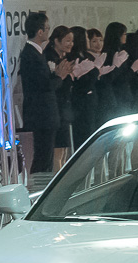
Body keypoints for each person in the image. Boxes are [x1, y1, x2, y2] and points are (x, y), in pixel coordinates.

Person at [19, 13, 70, 174]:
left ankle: (42, 185)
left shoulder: (37, 53)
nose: (48, 32)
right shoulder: (30, 54)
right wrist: (59, 77)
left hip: (46, 114)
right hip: (41, 114)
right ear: (40, 32)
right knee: (43, 157)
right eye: (47, 28)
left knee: (46, 157)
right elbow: (43, 85)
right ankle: (38, 187)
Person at [45, 26, 76, 170]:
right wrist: (61, 76)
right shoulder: (49, 58)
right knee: (57, 152)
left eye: (72, 41)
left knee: (63, 151)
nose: (71, 44)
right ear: (56, 41)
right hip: (55, 108)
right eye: (67, 40)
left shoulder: (63, 58)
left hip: (64, 108)